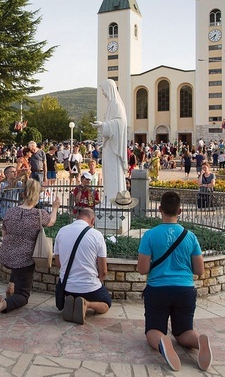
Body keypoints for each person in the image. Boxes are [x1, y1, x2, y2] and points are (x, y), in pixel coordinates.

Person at [137, 191, 212, 372]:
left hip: (158, 289)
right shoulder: (190, 236)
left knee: (153, 330)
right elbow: (199, 270)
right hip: (185, 290)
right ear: (180, 210)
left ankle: (162, 342)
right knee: (183, 331)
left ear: (160, 209)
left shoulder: (150, 235)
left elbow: (143, 269)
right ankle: (197, 341)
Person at [0, 179, 59, 320]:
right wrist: (55, 207)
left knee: (17, 265)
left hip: (7, 254)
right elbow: (52, 222)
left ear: (24, 194)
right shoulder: (39, 214)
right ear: (37, 195)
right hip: (24, 258)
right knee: (23, 296)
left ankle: (11, 286)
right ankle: (0, 305)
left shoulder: (10, 212)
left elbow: (4, 232)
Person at [54, 208, 111, 324]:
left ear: (77, 217)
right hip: (90, 287)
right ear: (93, 220)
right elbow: (103, 271)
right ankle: (86, 304)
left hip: (67, 286)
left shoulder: (62, 231)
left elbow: (58, 262)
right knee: (106, 303)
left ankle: (71, 300)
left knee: (71, 290)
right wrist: (97, 281)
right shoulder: (97, 235)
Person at [91, 79, 128, 203]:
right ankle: (108, 198)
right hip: (109, 147)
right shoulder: (110, 105)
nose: (103, 93)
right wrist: (103, 125)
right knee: (109, 174)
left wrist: (104, 125)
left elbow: (121, 123)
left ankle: (113, 200)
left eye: (103, 90)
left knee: (113, 174)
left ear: (109, 89)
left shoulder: (116, 104)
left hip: (114, 149)